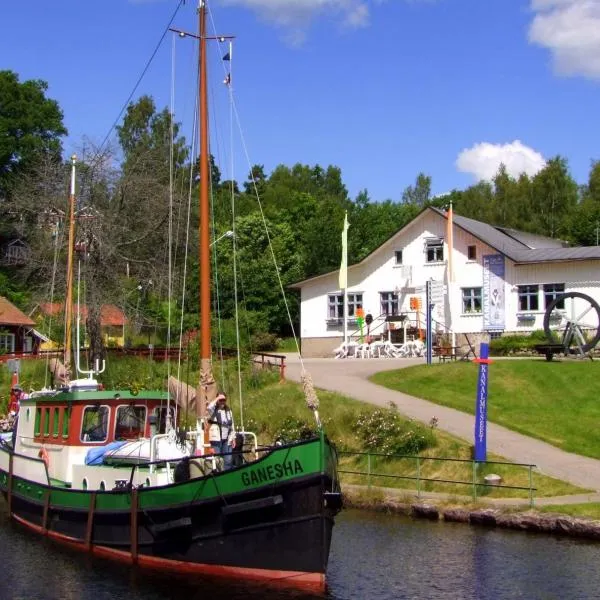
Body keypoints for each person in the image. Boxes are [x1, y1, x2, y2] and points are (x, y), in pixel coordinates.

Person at [206, 392, 235, 469]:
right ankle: (218, 474)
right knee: (217, 459)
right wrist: (217, 398)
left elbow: (232, 424)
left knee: (228, 460)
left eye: (224, 400)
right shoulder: (213, 410)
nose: (222, 402)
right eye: (220, 400)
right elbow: (209, 407)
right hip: (216, 439)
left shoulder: (228, 411)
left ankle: (227, 474)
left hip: (227, 439)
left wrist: (233, 438)